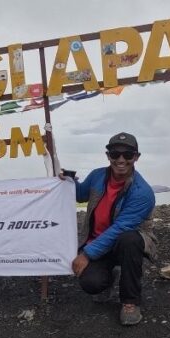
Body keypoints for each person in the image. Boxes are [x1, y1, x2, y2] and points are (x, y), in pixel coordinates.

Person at [65, 132, 157, 326]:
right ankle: (110, 276)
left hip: (124, 245)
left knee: (129, 239)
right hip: (98, 243)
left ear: (137, 157)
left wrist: (87, 254)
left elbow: (119, 228)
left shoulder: (143, 193)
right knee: (91, 284)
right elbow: (81, 194)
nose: (121, 160)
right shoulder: (97, 175)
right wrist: (66, 181)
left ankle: (130, 302)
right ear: (108, 155)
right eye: (115, 154)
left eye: (128, 154)